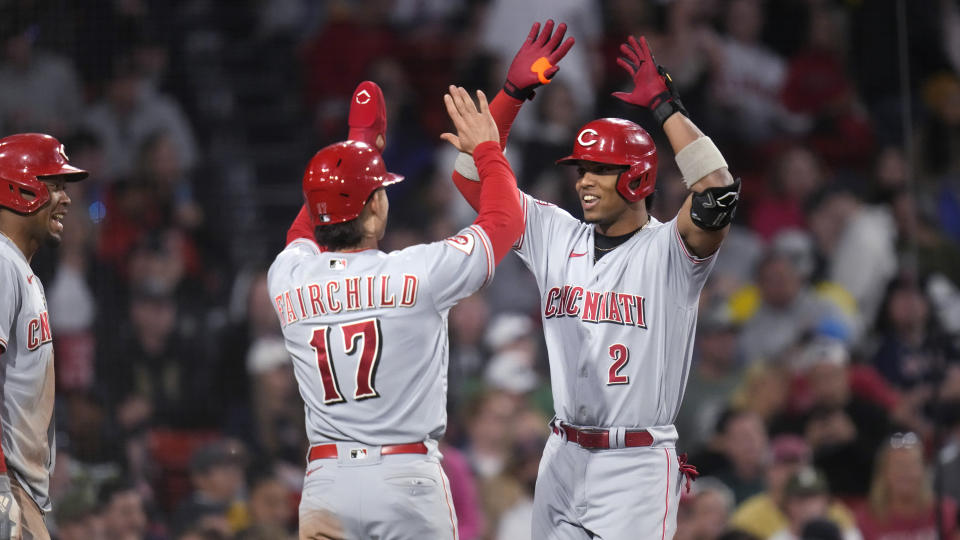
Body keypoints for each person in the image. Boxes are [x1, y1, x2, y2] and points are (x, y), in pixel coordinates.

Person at [450, 23, 740, 538]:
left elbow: (717, 191)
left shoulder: (670, 250)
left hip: (636, 462)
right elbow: (471, 179)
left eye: (598, 169)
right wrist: (513, 95)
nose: (581, 180)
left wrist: (667, 109)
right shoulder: (555, 233)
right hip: (562, 452)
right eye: (580, 168)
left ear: (636, 177)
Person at [268, 79, 523, 538]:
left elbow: (308, 224)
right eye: (379, 191)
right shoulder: (419, 272)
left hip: (327, 483)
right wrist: (487, 149)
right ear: (371, 210)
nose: (386, 197)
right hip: (404, 479)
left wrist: (358, 145)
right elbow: (505, 220)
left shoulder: (287, 276)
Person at [0, 132, 88, 539]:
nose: (66, 198)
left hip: (21, 489)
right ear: (20, 188)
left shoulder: (19, 267)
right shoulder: (1, 261)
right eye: (54, 185)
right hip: (7, 486)